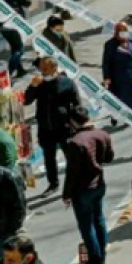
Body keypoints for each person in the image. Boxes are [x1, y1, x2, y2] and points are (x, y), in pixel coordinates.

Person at [62, 106, 113, 264]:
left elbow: (72, 172)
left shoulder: (74, 142)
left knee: (86, 226)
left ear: (73, 122)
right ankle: (101, 254)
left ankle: (94, 262)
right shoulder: (102, 134)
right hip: (99, 184)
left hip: (82, 189)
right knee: (99, 219)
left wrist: (67, 194)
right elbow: (109, 157)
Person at [23, 56, 80, 193]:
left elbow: (77, 104)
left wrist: (76, 124)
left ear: (54, 68)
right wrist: (32, 86)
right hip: (45, 128)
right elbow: (27, 101)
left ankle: (75, 183)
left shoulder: (67, 83)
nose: (42, 71)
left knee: (70, 157)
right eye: (41, 68)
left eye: (45, 69)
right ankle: (53, 184)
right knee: (49, 158)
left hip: (64, 127)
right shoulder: (39, 84)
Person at [102, 22, 132, 113]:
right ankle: (118, 115)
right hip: (119, 78)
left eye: (125, 31)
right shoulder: (110, 45)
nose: (123, 33)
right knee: (122, 99)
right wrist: (106, 77)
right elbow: (106, 62)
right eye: (121, 31)